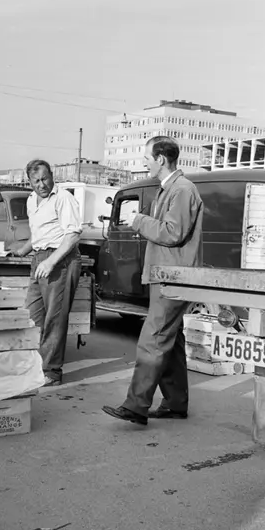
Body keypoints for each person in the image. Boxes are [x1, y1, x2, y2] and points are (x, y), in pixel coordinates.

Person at [102, 136, 203, 426]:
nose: (144, 162)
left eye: (147, 157)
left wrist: (139, 220)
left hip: (173, 277)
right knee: (170, 340)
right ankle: (175, 404)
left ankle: (136, 406)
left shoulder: (182, 190)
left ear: (160, 159)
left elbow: (172, 233)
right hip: (168, 275)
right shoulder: (171, 188)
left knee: (153, 339)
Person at [9, 159, 82, 386]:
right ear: (29, 182)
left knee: (54, 318)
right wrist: (22, 250)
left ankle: (51, 371)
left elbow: (72, 235)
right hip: (39, 259)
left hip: (60, 260)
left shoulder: (63, 198)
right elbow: (38, 233)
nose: (41, 184)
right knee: (32, 315)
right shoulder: (31, 200)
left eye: (45, 178)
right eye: (36, 181)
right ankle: (33, 366)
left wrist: (50, 262)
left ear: (52, 176)